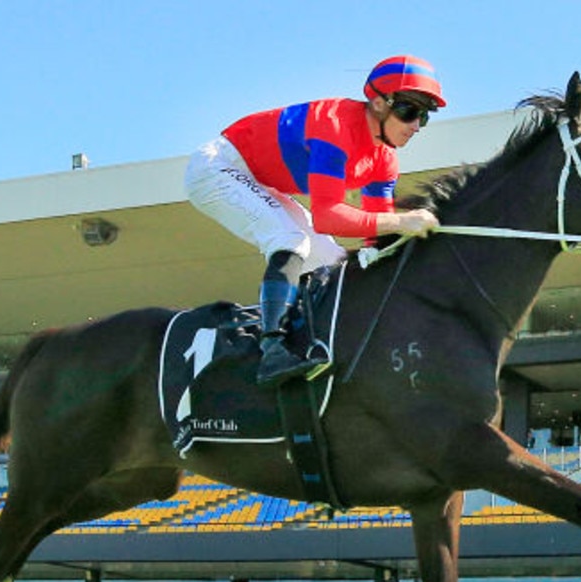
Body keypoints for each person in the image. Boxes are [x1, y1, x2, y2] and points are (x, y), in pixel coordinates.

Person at [184, 55, 445, 387]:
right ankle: (272, 348)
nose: (416, 126)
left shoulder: (385, 161)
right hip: (217, 168)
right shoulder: (335, 128)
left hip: (257, 181)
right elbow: (327, 216)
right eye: (409, 111)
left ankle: (307, 338)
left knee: (331, 261)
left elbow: (376, 241)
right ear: (378, 103)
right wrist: (401, 222)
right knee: (290, 239)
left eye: (424, 116)